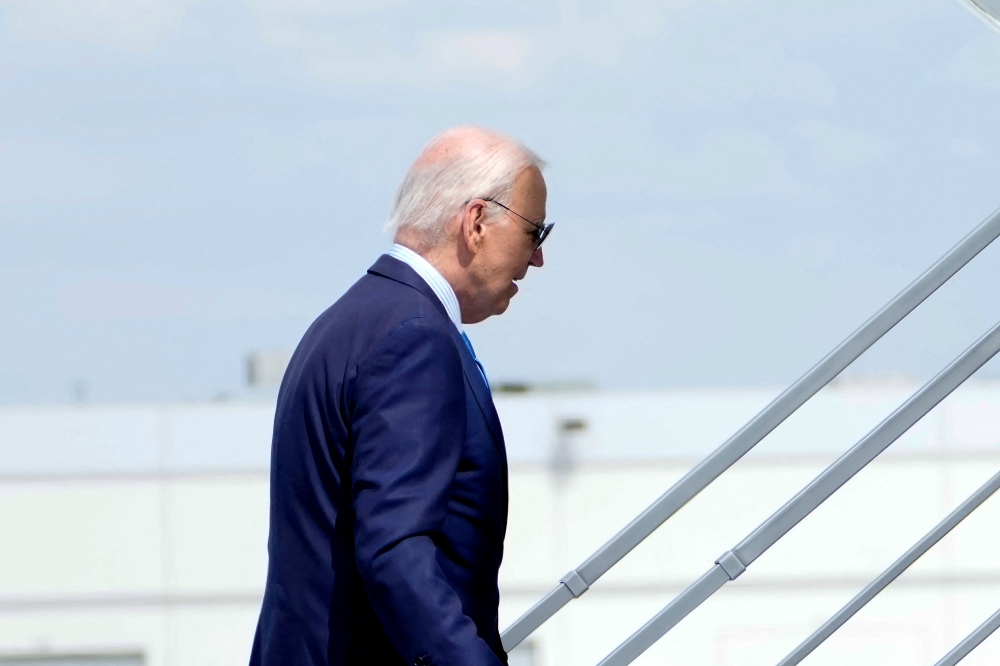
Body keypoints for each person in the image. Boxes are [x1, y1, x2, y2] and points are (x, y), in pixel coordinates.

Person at [250, 126, 551, 666]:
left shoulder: (349, 321)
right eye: (535, 233)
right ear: (476, 222)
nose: (537, 259)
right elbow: (396, 551)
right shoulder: (416, 336)